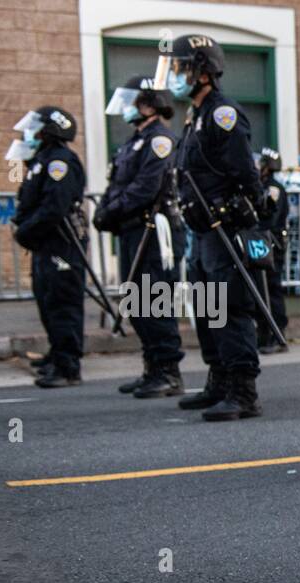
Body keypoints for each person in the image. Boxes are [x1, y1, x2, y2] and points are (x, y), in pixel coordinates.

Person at [161, 33, 272, 421]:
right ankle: (219, 380)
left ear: (202, 72)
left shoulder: (223, 114)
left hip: (225, 229)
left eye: (180, 67)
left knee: (229, 308)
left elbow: (245, 174)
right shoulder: (197, 114)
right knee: (207, 310)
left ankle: (243, 392)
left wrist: (239, 207)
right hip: (201, 231)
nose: (175, 74)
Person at [95, 76, 186, 398]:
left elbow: (145, 187)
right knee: (137, 304)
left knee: (156, 303)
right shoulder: (133, 141)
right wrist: (105, 209)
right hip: (133, 230)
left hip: (154, 232)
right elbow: (118, 184)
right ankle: (152, 368)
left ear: (148, 104)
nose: (126, 109)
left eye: (132, 101)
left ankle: (169, 373)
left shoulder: (159, 140)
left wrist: (112, 210)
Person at [10, 107, 86, 389]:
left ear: (50, 130)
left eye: (36, 127)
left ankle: (68, 366)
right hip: (45, 242)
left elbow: (55, 207)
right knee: (46, 300)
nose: (30, 132)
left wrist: (26, 231)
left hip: (61, 243)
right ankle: (57, 354)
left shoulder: (60, 162)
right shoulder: (42, 160)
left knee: (62, 303)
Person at [255, 146, 290, 354]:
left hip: (272, 244)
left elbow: (269, 218)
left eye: (261, 164)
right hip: (263, 243)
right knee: (262, 289)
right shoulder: (262, 186)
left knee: (272, 289)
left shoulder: (273, 189)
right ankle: (264, 334)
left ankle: (278, 335)